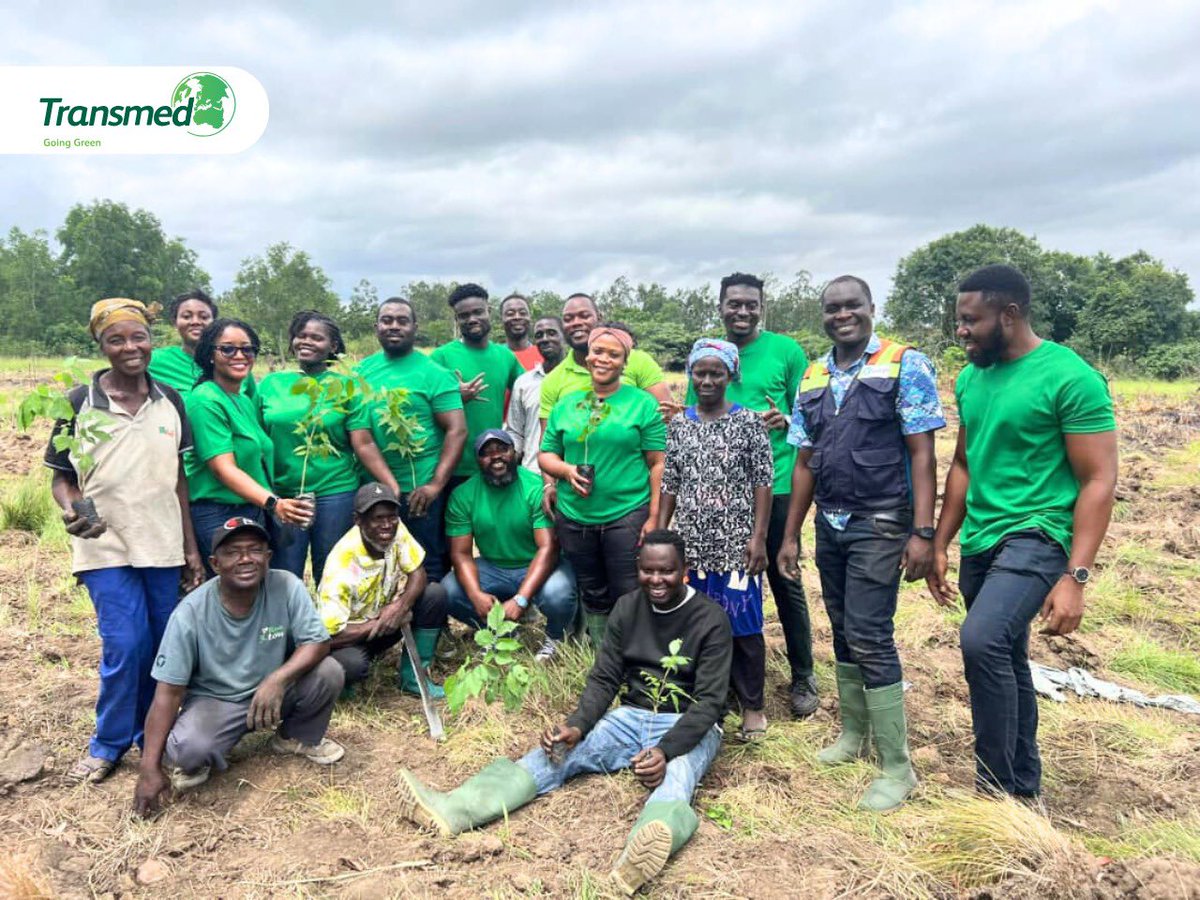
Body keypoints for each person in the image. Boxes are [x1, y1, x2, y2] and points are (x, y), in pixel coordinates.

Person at [396, 530, 731, 896]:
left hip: (688, 722)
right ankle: (455, 809)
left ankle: (639, 857)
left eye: (666, 571)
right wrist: (577, 724)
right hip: (633, 714)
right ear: (638, 568)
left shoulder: (710, 618)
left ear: (685, 569)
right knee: (557, 752)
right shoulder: (628, 607)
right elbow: (605, 678)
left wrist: (666, 750)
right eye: (648, 571)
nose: (656, 580)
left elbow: (710, 703)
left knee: (677, 774)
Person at [927, 264, 1117, 799]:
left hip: (1039, 533)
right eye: (959, 321)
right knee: (1004, 655)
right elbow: (963, 464)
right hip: (983, 538)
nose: (960, 331)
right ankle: (1022, 790)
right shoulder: (970, 378)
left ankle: (993, 790)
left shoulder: (1069, 377)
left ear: (1009, 315)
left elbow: (1100, 479)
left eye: (971, 321)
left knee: (981, 640)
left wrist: (1075, 575)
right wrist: (942, 541)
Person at [779, 274, 944, 812]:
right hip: (831, 521)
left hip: (882, 519)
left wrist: (924, 532)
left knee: (872, 633)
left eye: (852, 305)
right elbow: (805, 459)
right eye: (832, 308)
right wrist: (790, 535)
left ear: (871, 308)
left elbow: (922, 453)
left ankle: (898, 766)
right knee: (845, 628)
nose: (841, 314)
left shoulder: (904, 363)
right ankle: (854, 736)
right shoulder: (813, 373)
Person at [47, 298, 205, 783]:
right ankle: (108, 743)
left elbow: (179, 480)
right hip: (104, 544)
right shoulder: (77, 402)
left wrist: (191, 550)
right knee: (125, 643)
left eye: (138, 337)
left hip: (160, 543)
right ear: (101, 346)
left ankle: (149, 737)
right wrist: (72, 508)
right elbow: (60, 477)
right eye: (116, 339)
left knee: (161, 646)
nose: (129, 347)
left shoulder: (170, 400)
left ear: (151, 341)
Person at [674, 272, 820, 717]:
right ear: (720, 306)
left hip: (774, 486)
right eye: (733, 303)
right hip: (718, 503)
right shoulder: (709, 356)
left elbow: (811, 411)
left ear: (762, 307)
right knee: (721, 589)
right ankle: (723, 680)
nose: (742, 311)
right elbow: (695, 413)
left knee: (783, 576)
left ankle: (802, 674)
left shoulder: (786, 351)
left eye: (750, 304)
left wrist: (785, 420)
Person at [133, 518, 345, 817]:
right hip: (216, 701)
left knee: (329, 671)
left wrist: (278, 679)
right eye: (233, 552)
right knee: (188, 751)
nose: (246, 559)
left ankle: (293, 737)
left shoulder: (287, 585)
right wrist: (148, 768)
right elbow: (168, 693)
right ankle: (205, 753)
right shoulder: (189, 613)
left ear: (268, 558)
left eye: (255, 550)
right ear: (215, 563)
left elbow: (318, 642)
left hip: (272, 693)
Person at [659, 339, 774, 739]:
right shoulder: (680, 425)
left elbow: (763, 482)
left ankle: (753, 706)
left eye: (716, 373)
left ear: (731, 376)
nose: (707, 380)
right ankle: (711, 698)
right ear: (691, 374)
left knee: (743, 625)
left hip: (735, 543)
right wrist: (661, 534)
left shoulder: (748, 423)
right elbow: (670, 482)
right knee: (699, 624)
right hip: (692, 544)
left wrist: (758, 538)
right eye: (700, 373)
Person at [539, 324, 666, 647]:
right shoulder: (568, 405)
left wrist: (654, 517)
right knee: (592, 589)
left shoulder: (641, 404)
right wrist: (566, 471)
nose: (604, 359)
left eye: (614, 354)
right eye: (598, 352)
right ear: (587, 358)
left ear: (625, 362)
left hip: (626, 513)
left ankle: (635, 659)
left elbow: (658, 463)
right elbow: (546, 454)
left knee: (628, 590)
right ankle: (602, 656)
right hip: (575, 515)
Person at [256, 310, 396, 585]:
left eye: (316, 338)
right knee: (284, 573)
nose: (306, 342)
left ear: (333, 347)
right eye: (301, 336)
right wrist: (264, 494)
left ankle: (330, 627)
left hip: (336, 491)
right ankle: (288, 627)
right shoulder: (271, 384)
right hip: (285, 495)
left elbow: (363, 442)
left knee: (332, 570)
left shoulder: (347, 386)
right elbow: (258, 441)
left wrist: (390, 484)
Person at [185, 318, 313, 571]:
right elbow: (223, 468)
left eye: (247, 349)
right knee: (231, 593)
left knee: (253, 592)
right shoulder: (205, 400)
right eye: (228, 349)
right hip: (219, 514)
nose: (239, 355)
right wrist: (274, 503)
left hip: (251, 509)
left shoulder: (241, 398)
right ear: (210, 354)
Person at [357, 298, 467, 581]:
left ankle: (431, 624)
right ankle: (389, 624)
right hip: (375, 490)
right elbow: (359, 433)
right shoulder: (359, 374)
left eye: (402, 321)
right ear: (376, 327)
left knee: (427, 560)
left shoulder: (434, 374)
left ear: (415, 327)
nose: (394, 326)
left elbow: (457, 430)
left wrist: (435, 485)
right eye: (387, 320)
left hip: (421, 492)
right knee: (378, 562)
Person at [444, 430, 577, 661]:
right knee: (448, 590)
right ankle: (499, 630)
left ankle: (555, 638)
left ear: (515, 453)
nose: (496, 457)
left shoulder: (535, 488)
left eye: (503, 449)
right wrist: (475, 594)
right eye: (487, 453)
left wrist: (521, 599)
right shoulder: (463, 495)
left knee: (559, 594)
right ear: (477, 461)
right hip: (493, 566)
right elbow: (461, 554)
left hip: (537, 564)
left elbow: (548, 548)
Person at [317, 483, 448, 697]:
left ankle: (414, 677)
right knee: (351, 664)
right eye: (377, 518)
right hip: (350, 638)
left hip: (388, 620)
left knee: (434, 594)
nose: (387, 525)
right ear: (358, 520)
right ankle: (341, 685)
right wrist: (379, 623)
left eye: (392, 516)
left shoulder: (395, 530)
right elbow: (329, 636)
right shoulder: (341, 564)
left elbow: (418, 572)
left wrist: (400, 606)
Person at [430, 283, 524, 492]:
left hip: (496, 464)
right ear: (457, 320)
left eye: (478, 312)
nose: (472, 319)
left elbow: (531, 392)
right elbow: (424, 409)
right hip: (453, 467)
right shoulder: (441, 357)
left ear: (488, 312)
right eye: (464, 316)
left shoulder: (505, 357)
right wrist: (455, 398)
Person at [537, 293, 671, 422]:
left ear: (599, 318)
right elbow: (548, 442)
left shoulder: (639, 361)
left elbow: (666, 420)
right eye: (568, 319)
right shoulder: (552, 380)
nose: (576, 323)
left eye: (584, 316)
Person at [148, 289, 255, 400]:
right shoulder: (154, 361)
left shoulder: (235, 364)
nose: (195, 322)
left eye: (204, 317)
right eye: (186, 316)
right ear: (175, 323)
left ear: (215, 323)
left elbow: (253, 408)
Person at [505, 316, 566, 472]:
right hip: (532, 473)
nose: (545, 339)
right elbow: (515, 431)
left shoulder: (584, 378)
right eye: (539, 335)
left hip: (572, 473)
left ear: (564, 335)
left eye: (552, 333)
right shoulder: (524, 383)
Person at [499, 292, 543, 371]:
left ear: (530, 317)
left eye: (522, 313)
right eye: (510, 314)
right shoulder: (495, 356)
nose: (517, 317)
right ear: (501, 319)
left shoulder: (544, 354)